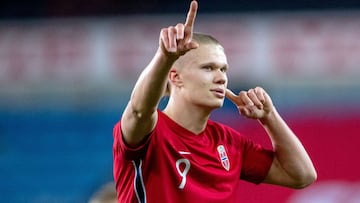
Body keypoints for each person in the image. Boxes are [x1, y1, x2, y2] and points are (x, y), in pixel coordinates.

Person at [112, 1, 317, 202]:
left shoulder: (228, 142)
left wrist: (269, 116)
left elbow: (301, 176)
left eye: (223, 69)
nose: (221, 78)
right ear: (175, 77)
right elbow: (140, 110)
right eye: (208, 68)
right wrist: (164, 57)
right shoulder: (149, 132)